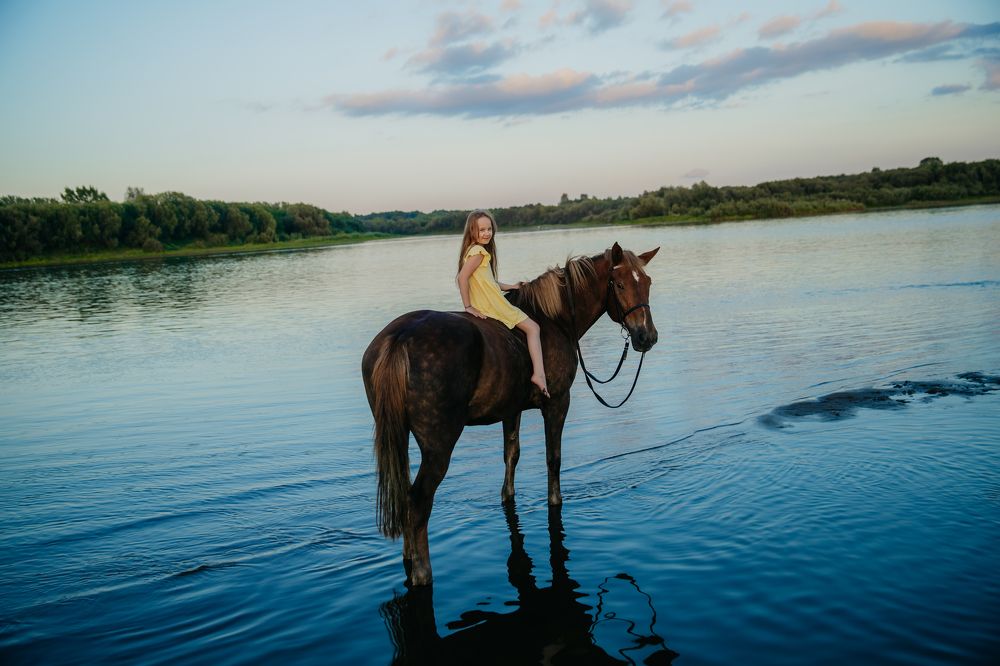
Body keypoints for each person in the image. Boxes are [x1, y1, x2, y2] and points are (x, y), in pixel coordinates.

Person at [456, 210, 549, 398]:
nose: (486, 233)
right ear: (472, 231)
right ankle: (539, 374)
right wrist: (468, 307)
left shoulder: (472, 251)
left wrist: (512, 286)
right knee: (533, 328)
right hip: (493, 306)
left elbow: (489, 282)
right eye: (481, 230)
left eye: (489, 229)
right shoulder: (479, 252)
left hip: (487, 302)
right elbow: (461, 278)